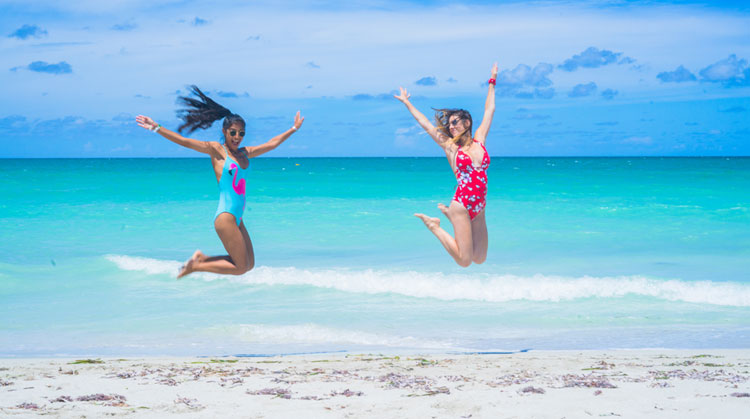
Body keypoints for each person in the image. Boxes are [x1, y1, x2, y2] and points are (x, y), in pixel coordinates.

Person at [136, 86, 304, 278]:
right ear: (225, 131)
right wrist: (157, 127)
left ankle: (201, 258)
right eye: (233, 132)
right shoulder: (217, 150)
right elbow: (185, 142)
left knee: (248, 265)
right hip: (225, 216)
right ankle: (196, 266)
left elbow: (271, 144)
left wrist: (293, 129)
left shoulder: (244, 153)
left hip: (237, 218)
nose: (237, 137)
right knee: (240, 268)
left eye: (241, 133)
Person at [394, 64, 497, 267]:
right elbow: (427, 125)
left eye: (455, 122)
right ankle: (434, 226)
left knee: (480, 258)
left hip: (480, 206)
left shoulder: (480, 140)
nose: (451, 126)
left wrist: (492, 81)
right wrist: (407, 103)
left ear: (467, 123)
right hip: (462, 205)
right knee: (464, 261)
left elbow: (489, 109)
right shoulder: (451, 147)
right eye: (449, 124)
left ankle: (449, 218)